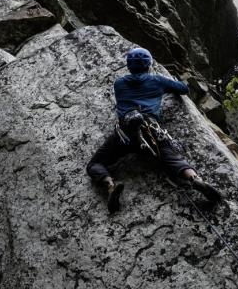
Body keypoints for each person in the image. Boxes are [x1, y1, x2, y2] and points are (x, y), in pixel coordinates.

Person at [87, 47, 222, 212]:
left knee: (95, 164)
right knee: (171, 157)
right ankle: (195, 179)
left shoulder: (119, 83)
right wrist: (171, 80)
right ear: (149, 65)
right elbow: (183, 89)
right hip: (151, 129)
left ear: (129, 66)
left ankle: (110, 185)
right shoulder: (157, 81)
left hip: (126, 133)